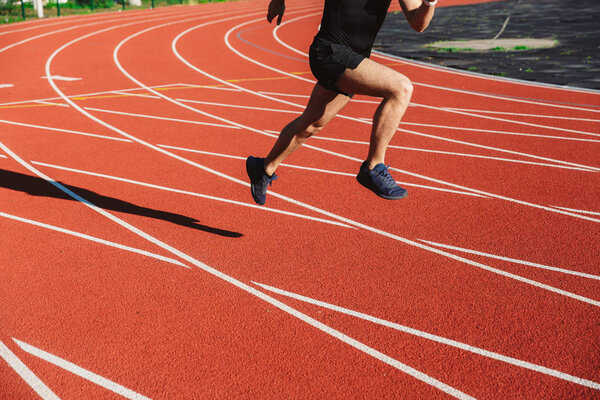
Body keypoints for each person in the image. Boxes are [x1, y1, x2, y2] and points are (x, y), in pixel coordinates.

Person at [246, 0, 437, 205]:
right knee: (401, 88)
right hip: (330, 52)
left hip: (353, 58)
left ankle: (264, 168)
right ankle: (373, 167)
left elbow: (419, 23)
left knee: (311, 125)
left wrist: (429, 3)